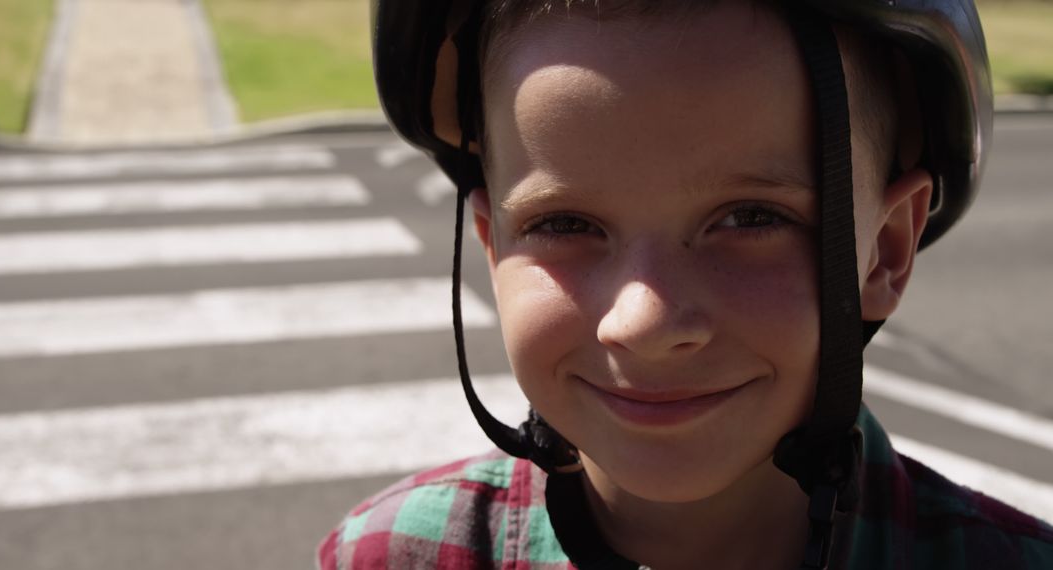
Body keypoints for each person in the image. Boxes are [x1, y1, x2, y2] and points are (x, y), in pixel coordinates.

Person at [321, 0, 1053, 568]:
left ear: (887, 249)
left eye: (749, 216)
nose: (642, 321)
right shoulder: (387, 555)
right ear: (492, 246)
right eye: (564, 225)